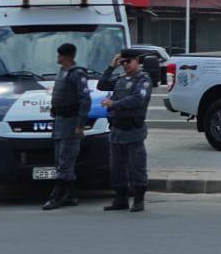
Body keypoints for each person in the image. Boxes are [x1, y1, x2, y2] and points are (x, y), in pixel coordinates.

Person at [98, 48, 153, 212]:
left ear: (137, 61)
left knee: (136, 166)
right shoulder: (121, 79)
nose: (125, 65)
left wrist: (113, 104)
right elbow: (101, 85)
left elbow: (137, 99)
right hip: (117, 130)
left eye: (128, 61)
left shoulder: (143, 79)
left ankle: (138, 199)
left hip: (133, 130)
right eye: (123, 62)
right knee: (116, 167)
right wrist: (111, 67)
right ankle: (120, 199)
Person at [42, 42, 91, 211]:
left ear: (66, 56)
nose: (58, 57)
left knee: (65, 160)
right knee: (60, 159)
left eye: (60, 55)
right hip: (60, 121)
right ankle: (71, 195)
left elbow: (85, 100)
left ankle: (58, 196)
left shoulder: (77, 74)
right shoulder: (63, 72)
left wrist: (80, 125)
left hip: (71, 122)